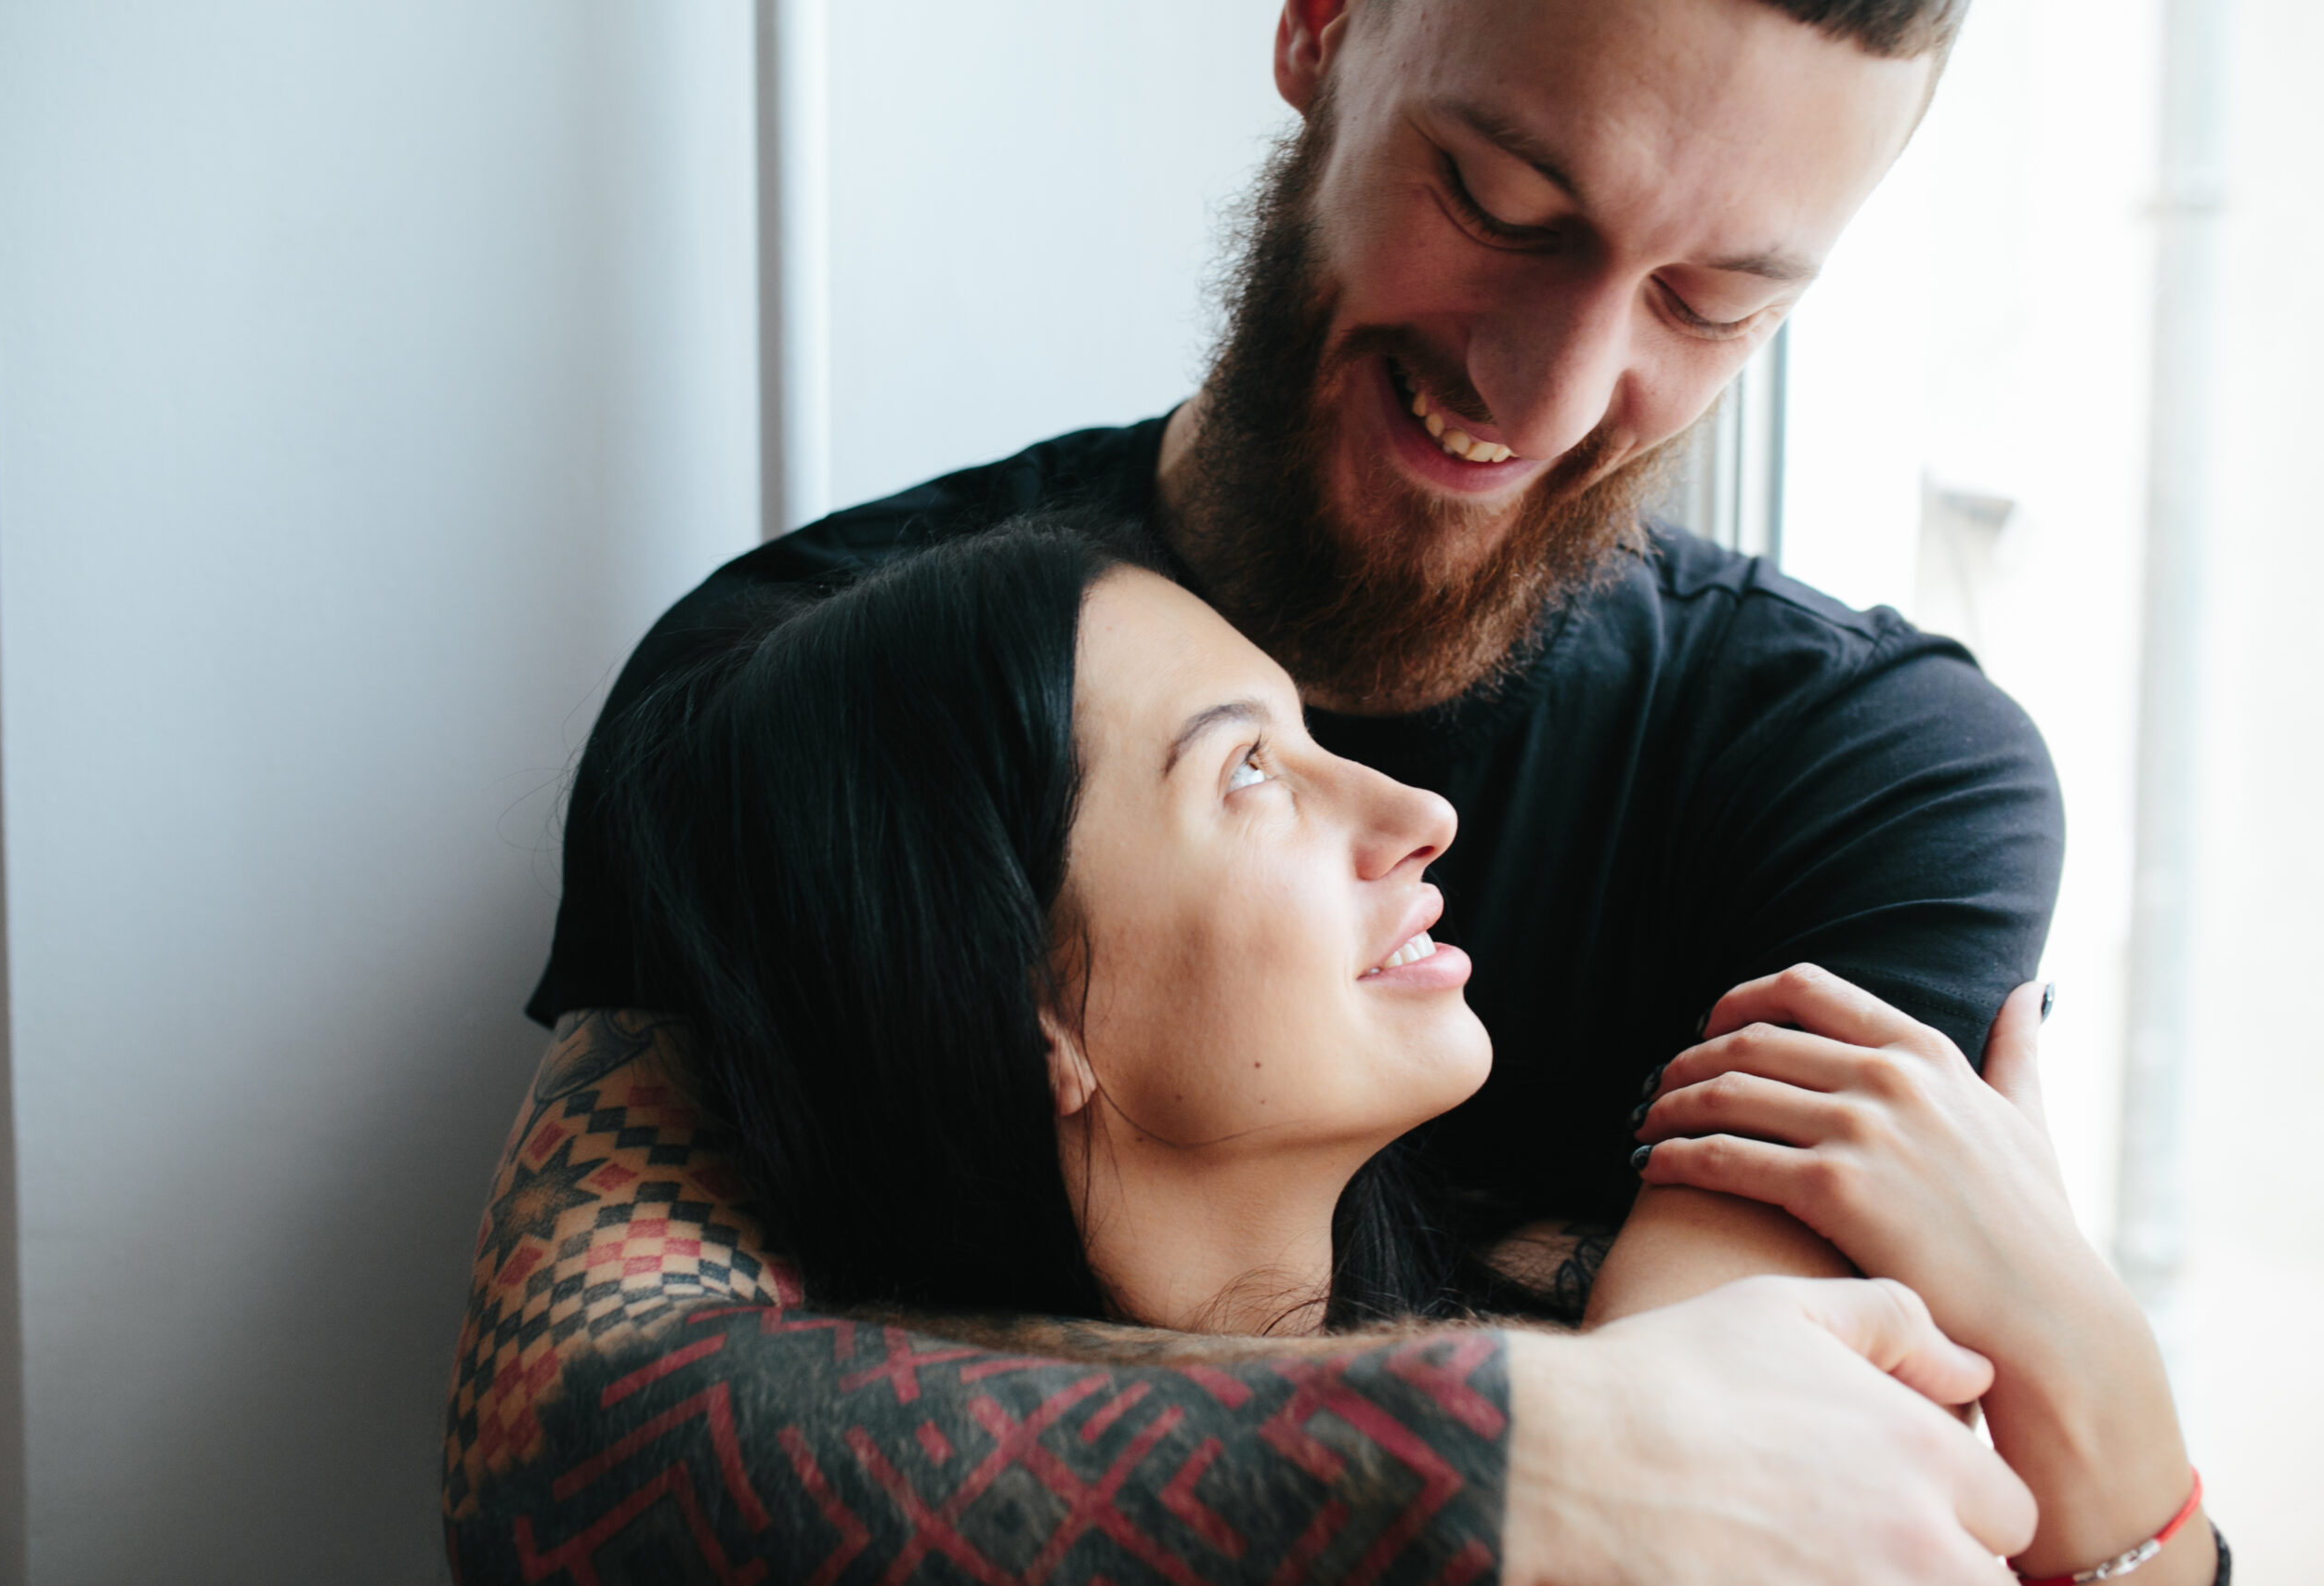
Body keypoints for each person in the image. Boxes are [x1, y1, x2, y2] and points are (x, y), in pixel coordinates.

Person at [443, 1, 2214, 1580]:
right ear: (1322, 30)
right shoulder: (822, 686)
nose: (1557, 389)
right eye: (1503, 203)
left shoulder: (1862, 769)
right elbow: (573, 1441)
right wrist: (1535, 1439)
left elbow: (1737, 1513)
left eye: (1710, 304)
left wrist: (2145, 1500)